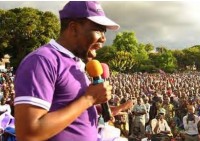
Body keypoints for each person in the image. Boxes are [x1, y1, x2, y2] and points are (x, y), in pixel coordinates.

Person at [14, 1, 133, 141]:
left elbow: (67, 106)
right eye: (98, 30)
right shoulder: (42, 61)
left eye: (104, 32)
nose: (103, 38)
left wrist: (101, 109)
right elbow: (28, 134)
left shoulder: (77, 63)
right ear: (73, 28)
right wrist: (89, 99)